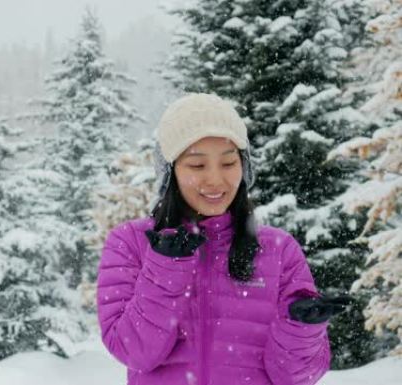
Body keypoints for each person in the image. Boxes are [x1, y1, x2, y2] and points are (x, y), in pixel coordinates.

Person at [96, 93, 351, 385]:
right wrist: (165, 269)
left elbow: (294, 377)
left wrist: (301, 330)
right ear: (170, 172)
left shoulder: (279, 250)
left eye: (228, 163)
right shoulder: (131, 242)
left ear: (244, 168)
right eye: (197, 165)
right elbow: (134, 352)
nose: (216, 180)